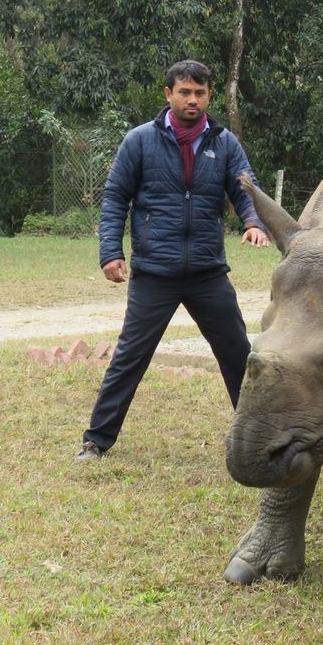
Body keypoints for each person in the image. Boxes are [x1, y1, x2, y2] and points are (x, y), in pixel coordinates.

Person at [77, 59, 270, 460]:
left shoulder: (224, 143)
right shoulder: (140, 140)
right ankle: (97, 440)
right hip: (154, 272)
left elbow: (245, 190)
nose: (193, 100)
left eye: (200, 93)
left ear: (209, 95)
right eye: (184, 92)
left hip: (207, 272)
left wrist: (254, 222)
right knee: (130, 356)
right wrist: (111, 252)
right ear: (168, 95)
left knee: (238, 353)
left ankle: (258, 437)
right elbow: (115, 197)